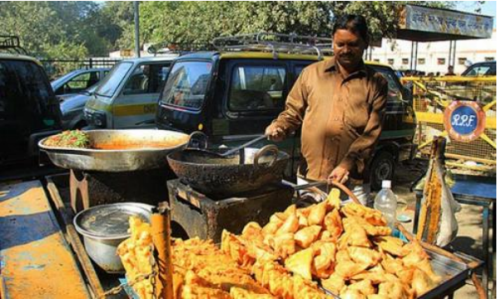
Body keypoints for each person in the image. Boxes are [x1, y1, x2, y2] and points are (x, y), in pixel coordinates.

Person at [265, 14, 388, 206]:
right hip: (310, 179)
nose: (346, 50)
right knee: (307, 233)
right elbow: (292, 113)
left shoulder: (376, 83)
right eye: (340, 44)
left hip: (351, 184)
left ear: (365, 43)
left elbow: (371, 134)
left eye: (353, 44)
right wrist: (280, 127)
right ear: (332, 42)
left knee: (353, 235)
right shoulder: (311, 74)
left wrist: (347, 164)